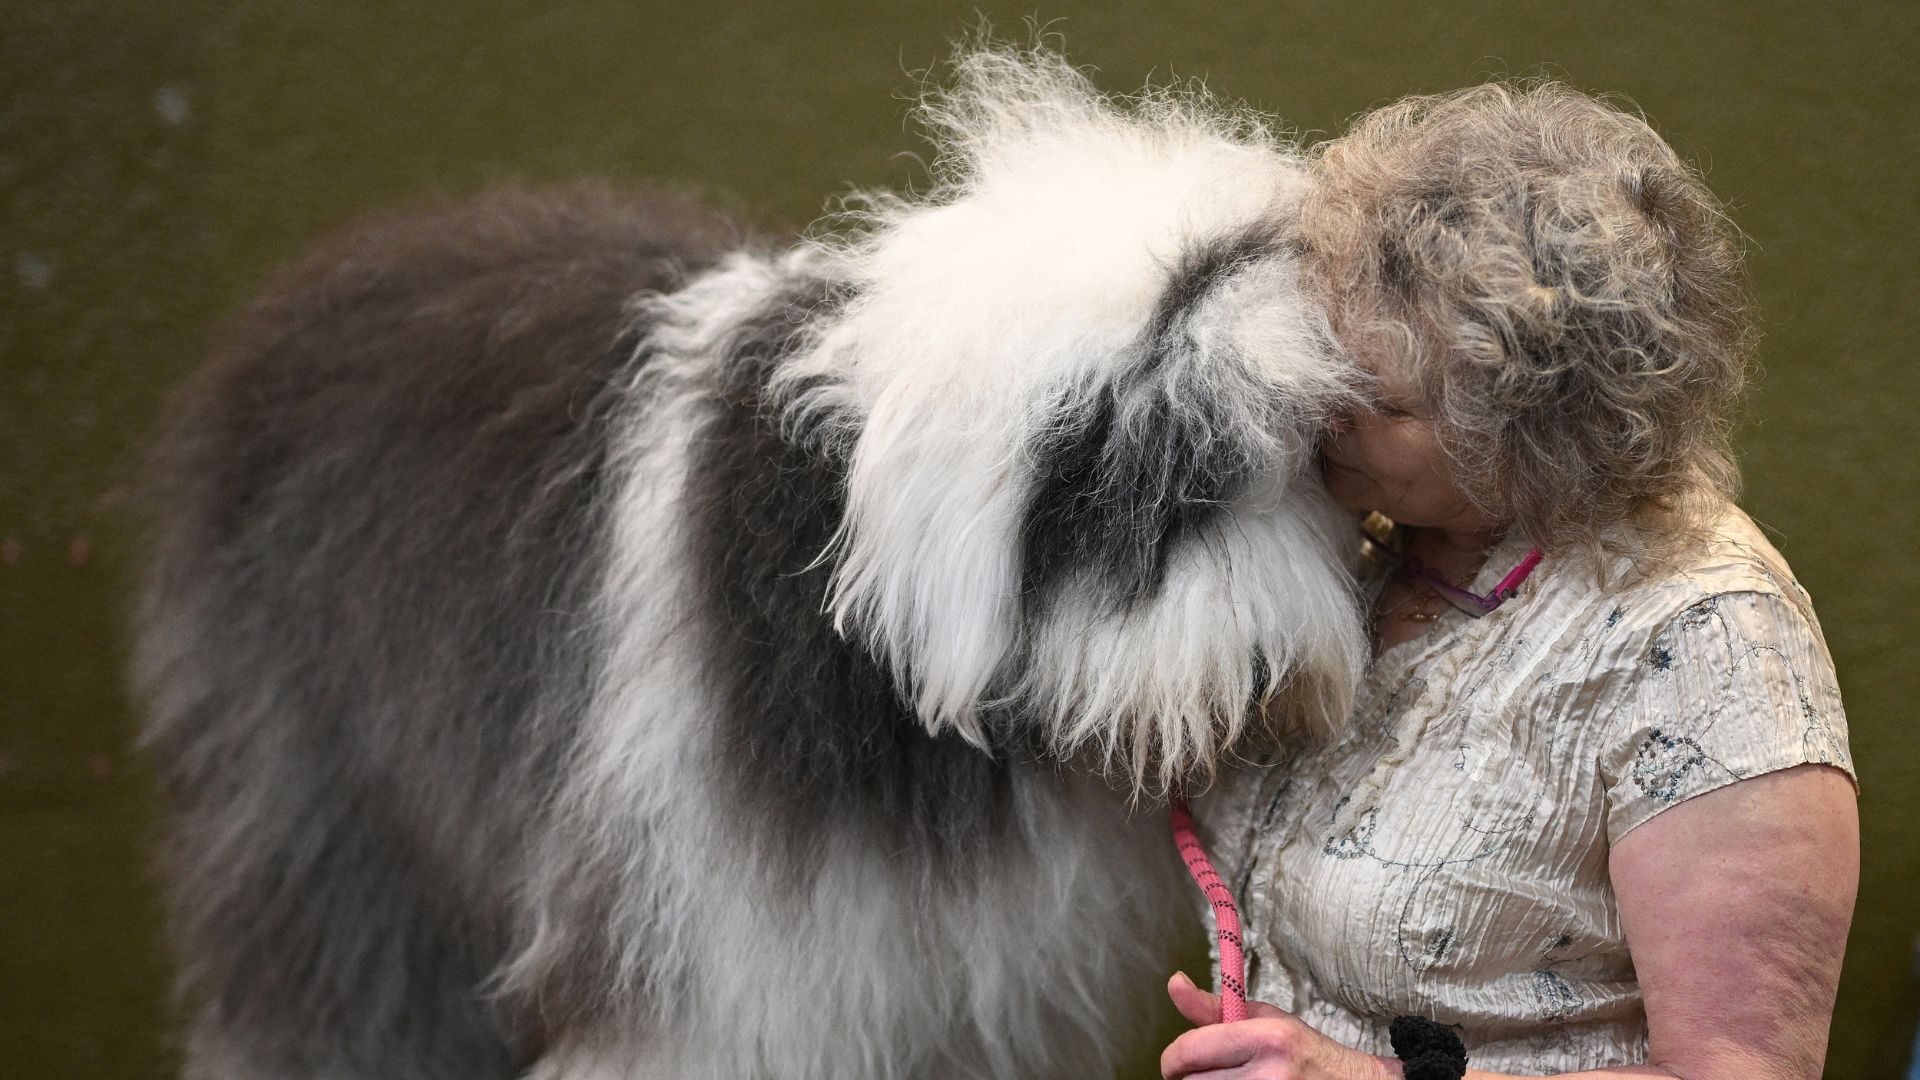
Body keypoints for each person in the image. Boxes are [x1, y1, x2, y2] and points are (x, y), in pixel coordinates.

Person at [1163, 81, 1858, 1079]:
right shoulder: (1366, 535)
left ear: (1535, 429)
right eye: (1325, 361)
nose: (1323, 411)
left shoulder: (1707, 637)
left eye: (1384, 401)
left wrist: (1350, 1076)